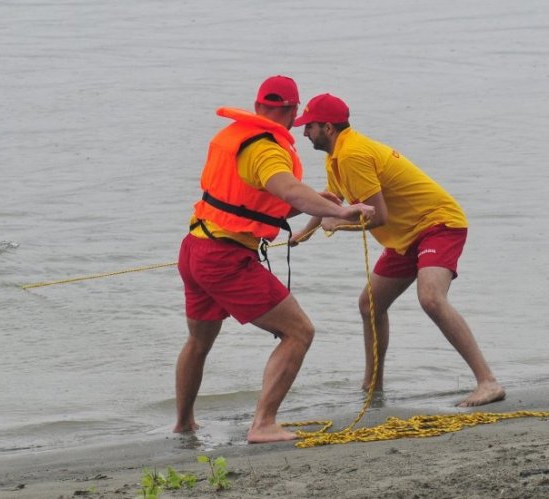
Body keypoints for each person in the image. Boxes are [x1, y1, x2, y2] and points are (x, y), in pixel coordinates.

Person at [175, 76, 375, 443]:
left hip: (194, 249)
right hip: (225, 259)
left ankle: (183, 424)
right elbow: (289, 190)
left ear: (257, 106)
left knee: (198, 342)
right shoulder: (266, 149)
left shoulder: (234, 136)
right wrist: (342, 212)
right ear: (294, 111)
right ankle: (263, 424)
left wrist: (315, 200)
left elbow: (258, 202)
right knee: (299, 332)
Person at [290, 93, 505, 407]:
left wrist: (340, 225)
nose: (304, 133)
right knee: (370, 304)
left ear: (329, 128)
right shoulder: (337, 155)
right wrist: (305, 233)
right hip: (405, 235)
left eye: (309, 126)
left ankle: (488, 382)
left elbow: (379, 217)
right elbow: (332, 202)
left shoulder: (352, 155)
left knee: (431, 298)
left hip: (437, 224)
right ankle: (372, 386)